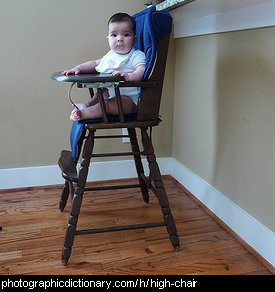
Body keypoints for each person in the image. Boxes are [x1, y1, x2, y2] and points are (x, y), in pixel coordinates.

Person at [62, 13, 146, 121]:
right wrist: (77, 68)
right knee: (102, 92)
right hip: (112, 95)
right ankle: (88, 105)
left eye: (126, 35)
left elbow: (141, 70)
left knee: (106, 104)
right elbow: (94, 63)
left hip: (129, 101)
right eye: (114, 35)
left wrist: (129, 76)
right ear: (108, 38)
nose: (119, 39)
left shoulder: (136, 55)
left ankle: (83, 113)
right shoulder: (110, 56)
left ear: (134, 39)